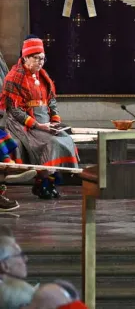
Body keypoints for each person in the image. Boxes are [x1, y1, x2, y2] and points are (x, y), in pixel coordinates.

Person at [0, 37, 79, 199]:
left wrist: (55, 121)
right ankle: (42, 181)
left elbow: (51, 101)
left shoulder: (44, 77)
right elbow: (15, 111)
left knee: (65, 138)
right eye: (36, 58)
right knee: (52, 142)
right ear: (25, 57)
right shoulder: (13, 78)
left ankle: (49, 181)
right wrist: (38, 125)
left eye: (42, 58)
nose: (40, 62)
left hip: (44, 122)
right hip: (24, 124)